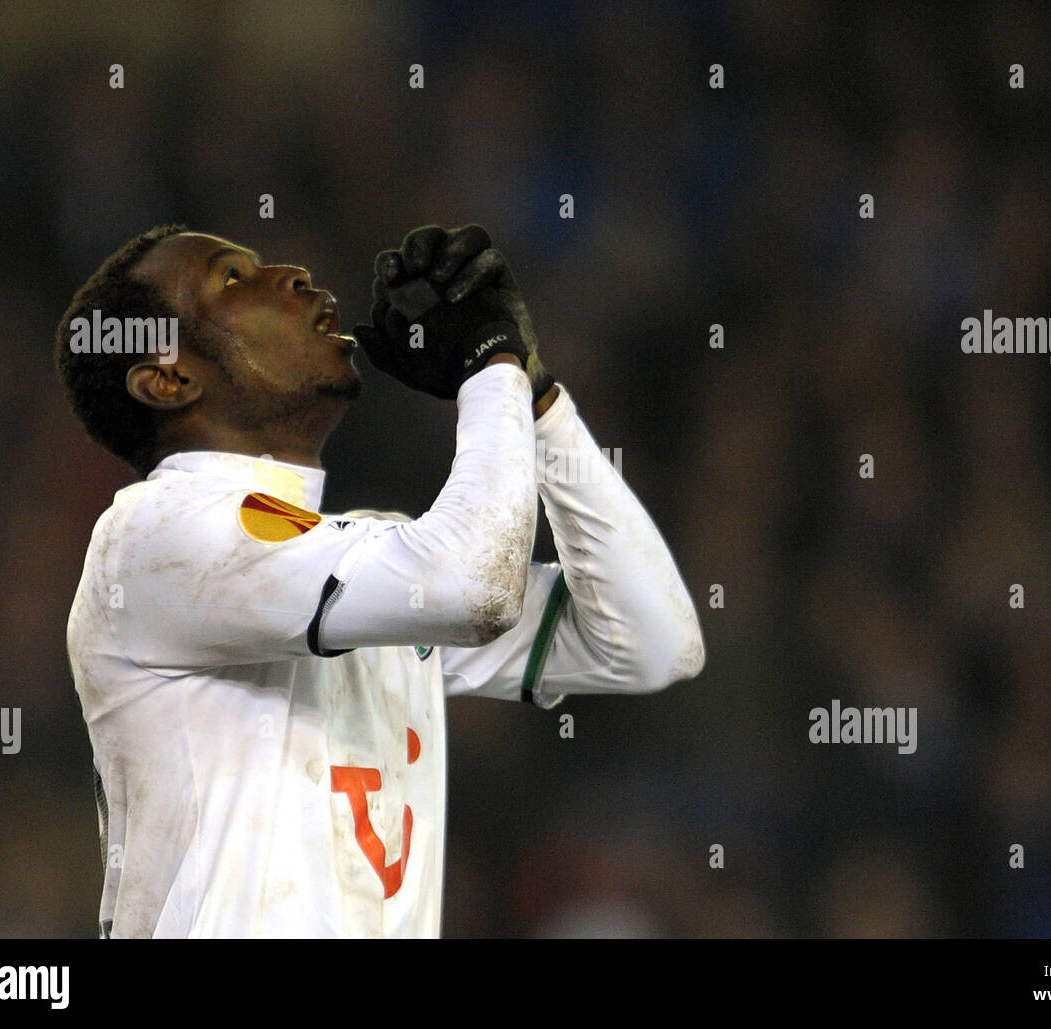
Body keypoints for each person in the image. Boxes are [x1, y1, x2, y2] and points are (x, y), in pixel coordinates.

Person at [55, 222, 705, 937]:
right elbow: (471, 585)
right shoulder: (153, 535)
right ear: (168, 377)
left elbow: (647, 642)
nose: (293, 272)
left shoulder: (363, 571)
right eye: (232, 280)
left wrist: (540, 403)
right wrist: (493, 372)